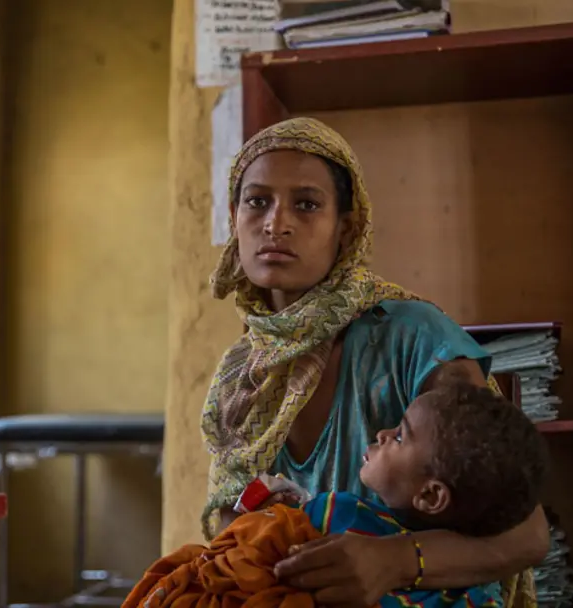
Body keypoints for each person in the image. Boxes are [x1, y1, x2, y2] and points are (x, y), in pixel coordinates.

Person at [200, 117, 549, 607]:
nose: (276, 224)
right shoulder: (240, 379)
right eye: (257, 201)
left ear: (345, 228)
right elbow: (232, 534)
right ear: (234, 217)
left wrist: (395, 560)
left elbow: (527, 535)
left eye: (307, 204)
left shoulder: (412, 337)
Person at [124, 383, 548, 608]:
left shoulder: (340, 514)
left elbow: (241, 550)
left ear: (431, 496)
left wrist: (260, 513)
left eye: (400, 436)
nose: (383, 433)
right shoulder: (479, 594)